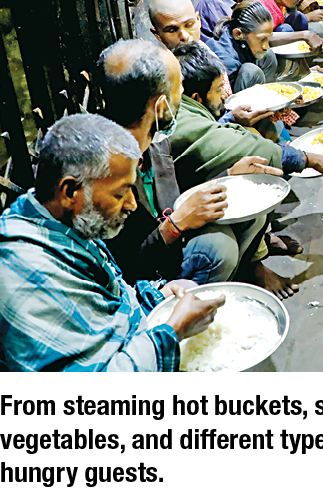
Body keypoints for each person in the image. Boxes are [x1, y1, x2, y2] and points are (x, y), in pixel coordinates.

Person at [0, 113, 224, 371]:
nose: (131, 204)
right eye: (120, 194)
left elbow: (112, 303)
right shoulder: (26, 270)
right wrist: (174, 331)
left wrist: (155, 297)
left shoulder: (63, 223)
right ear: (71, 191)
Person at [95, 39, 284, 289]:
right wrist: (175, 225)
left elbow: (175, 194)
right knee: (219, 247)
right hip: (147, 277)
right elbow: (126, 266)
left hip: (172, 236)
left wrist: (227, 176)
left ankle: (231, 283)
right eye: (179, 90)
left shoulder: (155, 139)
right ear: (160, 105)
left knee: (250, 204)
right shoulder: (105, 169)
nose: (183, 96)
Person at [169, 42, 323, 296]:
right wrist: (309, 159)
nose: (223, 97)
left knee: (257, 160)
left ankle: (259, 243)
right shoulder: (179, 119)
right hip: (178, 221)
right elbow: (236, 144)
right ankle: (246, 271)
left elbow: (218, 131)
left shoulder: (185, 103)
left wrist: (231, 119)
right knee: (252, 182)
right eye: (218, 91)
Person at [207, 0, 282, 87]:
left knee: (268, 54)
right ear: (238, 34)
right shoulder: (227, 62)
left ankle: (267, 90)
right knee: (250, 72)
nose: (266, 46)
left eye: (268, 39)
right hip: (226, 93)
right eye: (262, 40)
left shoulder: (236, 38)